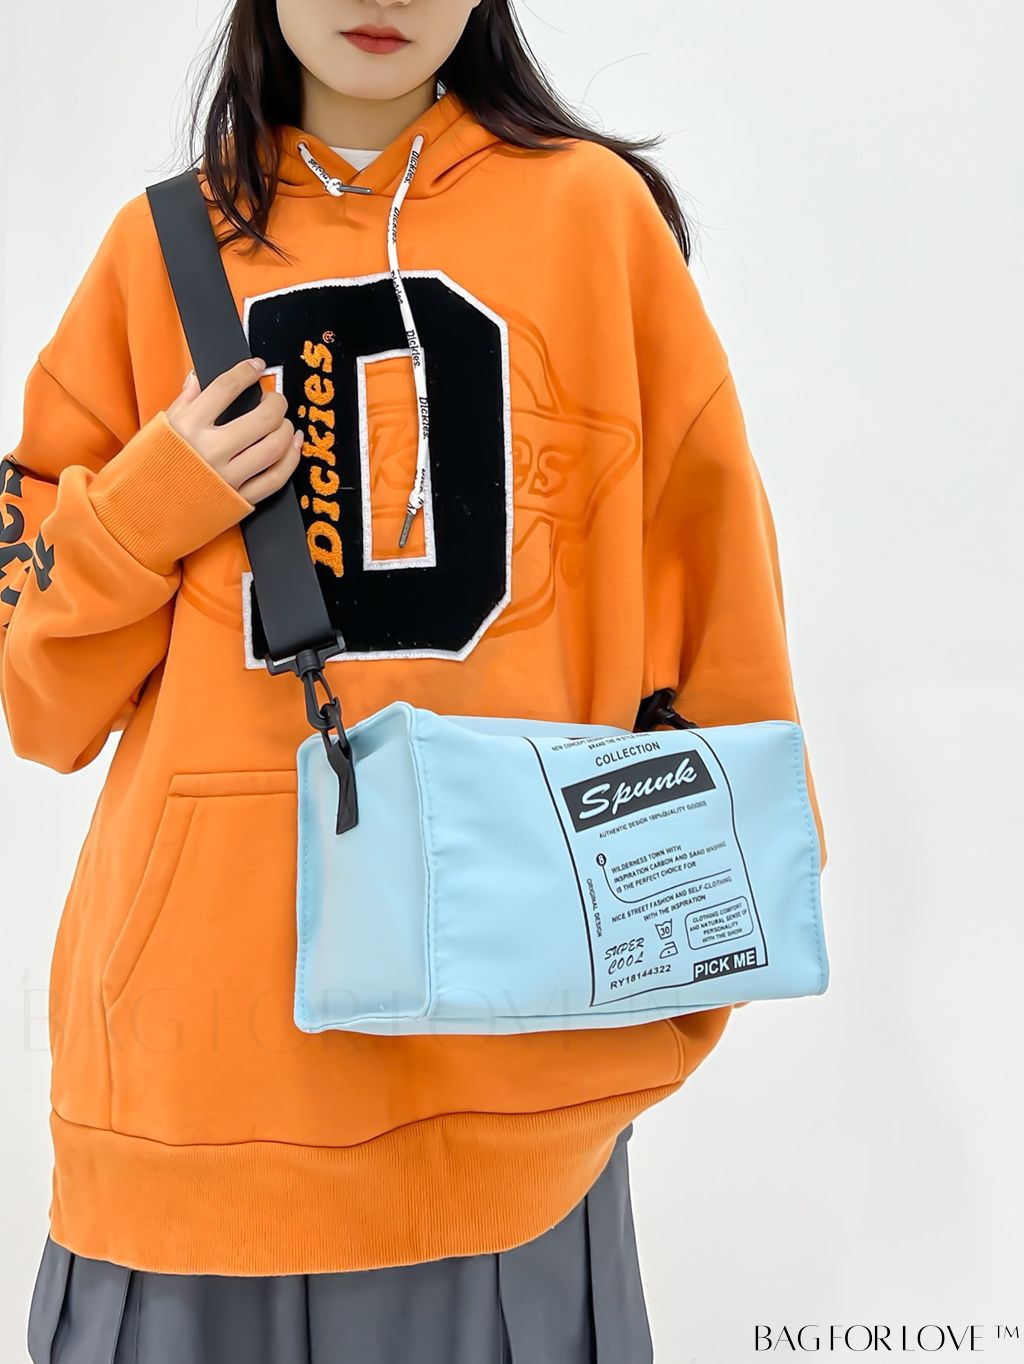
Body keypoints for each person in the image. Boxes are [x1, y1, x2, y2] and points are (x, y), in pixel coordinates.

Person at [2, 0, 827, 1360]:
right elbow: (39, 704)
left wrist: (690, 951)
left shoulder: (594, 221)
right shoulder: (158, 251)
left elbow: (719, 604)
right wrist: (149, 507)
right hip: (193, 1080)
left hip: (518, 1078)